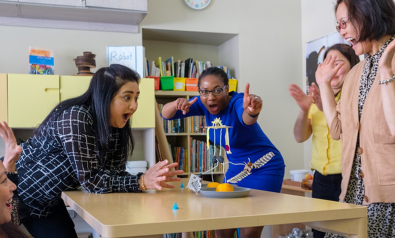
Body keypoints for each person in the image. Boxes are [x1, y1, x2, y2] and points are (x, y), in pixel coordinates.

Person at [0, 64, 184, 238]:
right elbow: (91, 181)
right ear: (104, 96)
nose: (134, 106)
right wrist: (142, 181)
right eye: (127, 97)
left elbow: (114, 173)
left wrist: (149, 181)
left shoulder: (114, 125)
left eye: (136, 98)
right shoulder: (77, 117)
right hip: (20, 191)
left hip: (49, 201)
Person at [161, 67, 285, 238]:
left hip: (264, 167)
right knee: (223, 227)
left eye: (217, 90)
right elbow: (166, 115)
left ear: (227, 89)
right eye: (204, 91)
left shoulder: (237, 101)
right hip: (237, 169)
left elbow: (246, 118)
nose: (210, 97)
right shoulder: (202, 103)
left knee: (248, 230)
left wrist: (252, 112)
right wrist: (175, 104)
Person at [316, 0, 395, 237]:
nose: (341, 30)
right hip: (352, 197)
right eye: (338, 25)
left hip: (392, 202)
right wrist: (323, 84)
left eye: (345, 22)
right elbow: (337, 130)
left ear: (368, 15)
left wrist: (385, 72)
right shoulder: (355, 73)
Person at [289, 44, 359, 238]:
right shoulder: (314, 97)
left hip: (351, 178)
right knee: (320, 232)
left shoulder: (356, 96)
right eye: (327, 64)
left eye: (338, 63)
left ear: (354, 66)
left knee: (350, 231)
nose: (332, 69)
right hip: (321, 179)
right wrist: (305, 110)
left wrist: (325, 105)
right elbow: (299, 137)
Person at [0, 122, 28, 238]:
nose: (14, 186)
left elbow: (13, 219)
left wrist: (10, 162)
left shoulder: (5, 227)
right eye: (3, 180)